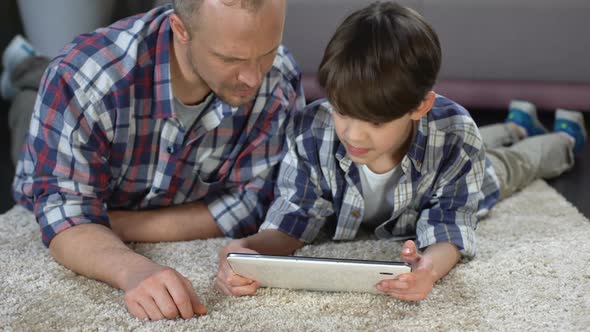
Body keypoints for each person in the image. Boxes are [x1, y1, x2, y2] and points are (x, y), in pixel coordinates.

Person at [215, 1, 586, 300]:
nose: (352, 134)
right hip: (435, 142)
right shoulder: (315, 128)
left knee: (513, 164)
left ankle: (564, 138)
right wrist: (248, 249)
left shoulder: (456, 136)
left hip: (460, 161)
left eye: (374, 122)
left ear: (420, 107)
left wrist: (428, 269)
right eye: (341, 111)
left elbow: (449, 227)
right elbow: (293, 217)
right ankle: (514, 124)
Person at [7, 0, 304, 321]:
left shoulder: (278, 80)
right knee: (32, 91)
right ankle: (23, 70)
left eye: (267, 52)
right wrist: (134, 269)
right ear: (180, 29)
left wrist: (109, 222)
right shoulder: (82, 76)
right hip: (57, 118)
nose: (253, 78)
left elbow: (252, 202)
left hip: (136, 198)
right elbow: (62, 213)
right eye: (231, 58)